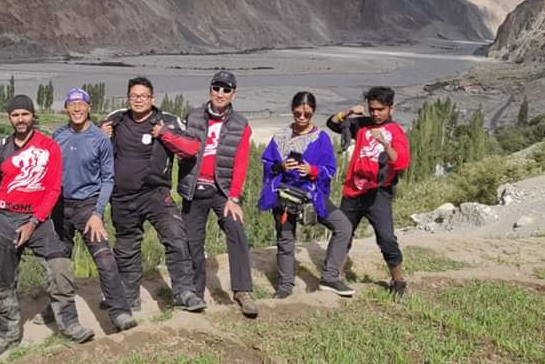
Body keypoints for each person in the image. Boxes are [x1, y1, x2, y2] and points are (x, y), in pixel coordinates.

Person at [0, 95, 93, 357]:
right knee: (2, 279)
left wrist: (33, 223)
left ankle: (70, 323)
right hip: (4, 219)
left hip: (38, 220)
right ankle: (8, 334)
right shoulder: (0, 148)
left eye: (25, 114)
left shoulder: (49, 147)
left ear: (33, 116)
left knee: (60, 266)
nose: (20, 119)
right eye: (15, 115)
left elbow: (53, 190)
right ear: (10, 118)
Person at [101, 77, 206, 313]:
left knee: (176, 236)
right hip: (122, 197)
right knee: (126, 246)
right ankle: (129, 298)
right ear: (128, 98)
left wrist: (165, 134)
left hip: (155, 194)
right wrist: (101, 135)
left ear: (152, 99)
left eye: (144, 96)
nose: (139, 100)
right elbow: (94, 144)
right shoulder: (116, 119)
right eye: (134, 96)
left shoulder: (166, 121)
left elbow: (191, 148)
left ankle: (184, 292)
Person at [51, 88, 138, 331]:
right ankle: (57, 310)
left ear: (89, 107)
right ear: (66, 108)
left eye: (82, 104)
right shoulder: (57, 136)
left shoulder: (100, 139)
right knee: (59, 262)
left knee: (105, 260)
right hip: (60, 207)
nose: (77, 108)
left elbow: (108, 178)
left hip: (88, 206)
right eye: (72, 104)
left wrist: (98, 213)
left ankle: (120, 312)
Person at [176, 71, 257, 317]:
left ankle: (242, 290)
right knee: (192, 242)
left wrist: (234, 197)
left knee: (235, 229)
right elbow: (175, 143)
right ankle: (195, 293)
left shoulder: (240, 124)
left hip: (222, 190)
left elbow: (241, 162)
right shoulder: (192, 116)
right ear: (210, 89)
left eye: (226, 89)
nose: (221, 93)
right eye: (217, 88)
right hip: (194, 188)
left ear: (234, 93)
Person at [259, 92, 354, 299]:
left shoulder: (321, 138)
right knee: (286, 241)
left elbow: (330, 169)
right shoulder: (280, 137)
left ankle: (330, 276)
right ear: (292, 111)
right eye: (297, 113)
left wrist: (312, 171)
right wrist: (281, 165)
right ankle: (285, 286)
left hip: (313, 196)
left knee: (343, 226)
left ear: (313, 113)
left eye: (306, 114)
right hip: (284, 195)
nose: (301, 118)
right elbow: (267, 165)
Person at [326, 86, 411, 298]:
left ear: (391, 108)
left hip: (378, 194)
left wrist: (384, 144)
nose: (375, 113)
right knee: (343, 234)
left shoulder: (395, 132)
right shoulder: (362, 125)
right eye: (372, 109)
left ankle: (398, 282)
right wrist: (346, 113)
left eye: (380, 109)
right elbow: (332, 124)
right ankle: (335, 277)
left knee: (386, 238)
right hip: (353, 191)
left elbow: (401, 162)